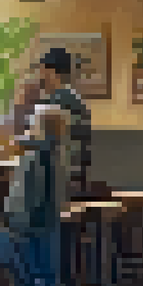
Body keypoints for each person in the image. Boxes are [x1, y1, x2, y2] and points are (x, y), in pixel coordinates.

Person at [0, 92, 70, 286]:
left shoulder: (33, 159)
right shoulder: (56, 156)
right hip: (46, 229)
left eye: (33, 122)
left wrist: (9, 227)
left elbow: (25, 201)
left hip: (26, 232)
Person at [35, 48, 93, 198]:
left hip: (60, 176)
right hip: (73, 174)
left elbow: (45, 140)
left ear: (51, 72)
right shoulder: (74, 99)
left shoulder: (57, 101)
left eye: (42, 70)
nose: (39, 76)